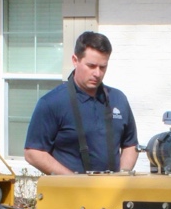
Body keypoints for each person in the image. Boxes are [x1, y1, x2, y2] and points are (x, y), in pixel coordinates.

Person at [23, 31, 139, 175]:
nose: (97, 73)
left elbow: (130, 145)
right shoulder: (51, 102)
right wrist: (74, 182)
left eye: (103, 67)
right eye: (91, 66)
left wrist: (122, 175)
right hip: (71, 194)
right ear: (75, 60)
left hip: (112, 194)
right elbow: (33, 152)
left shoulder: (118, 98)